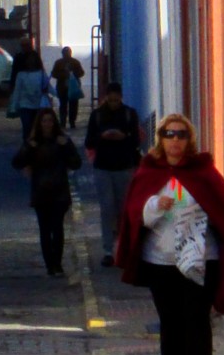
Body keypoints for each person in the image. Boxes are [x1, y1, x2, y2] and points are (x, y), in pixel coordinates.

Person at [116, 113, 224, 355]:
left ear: (189, 140)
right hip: (161, 261)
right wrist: (155, 205)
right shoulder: (148, 173)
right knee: (170, 319)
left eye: (181, 134)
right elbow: (134, 217)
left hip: (202, 259)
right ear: (161, 139)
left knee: (197, 315)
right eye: (170, 134)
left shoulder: (203, 172)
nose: (175, 140)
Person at [12, 107, 82, 276]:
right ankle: (50, 265)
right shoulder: (33, 143)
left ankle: (57, 264)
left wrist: (65, 148)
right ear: (39, 123)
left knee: (57, 228)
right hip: (41, 191)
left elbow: (76, 163)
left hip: (59, 190)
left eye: (50, 120)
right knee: (45, 229)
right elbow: (17, 163)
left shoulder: (62, 141)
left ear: (54, 122)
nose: (47, 124)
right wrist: (29, 148)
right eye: (44, 121)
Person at [84, 82, 141, 266]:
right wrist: (103, 136)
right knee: (107, 209)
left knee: (123, 209)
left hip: (124, 166)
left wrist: (123, 137)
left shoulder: (129, 114)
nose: (114, 102)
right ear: (106, 97)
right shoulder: (97, 116)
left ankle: (123, 248)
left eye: (117, 100)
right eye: (111, 99)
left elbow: (137, 141)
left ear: (121, 98)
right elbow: (89, 141)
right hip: (104, 167)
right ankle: (108, 250)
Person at [8, 50, 55, 140]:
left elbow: (48, 87)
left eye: (32, 60)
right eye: (29, 60)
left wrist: (57, 94)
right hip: (25, 105)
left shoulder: (41, 73)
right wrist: (14, 105)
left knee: (37, 128)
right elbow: (17, 90)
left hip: (38, 106)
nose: (31, 62)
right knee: (27, 128)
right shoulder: (21, 75)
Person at [50, 46, 85, 129]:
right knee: (63, 105)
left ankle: (71, 121)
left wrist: (72, 74)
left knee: (73, 105)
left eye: (68, 53)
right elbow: (54, 73)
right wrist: (63, 75)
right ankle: (63, 122)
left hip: (72, 88)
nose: (66, 54)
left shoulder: (75, 62)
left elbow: (81, 73)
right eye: (65, 53)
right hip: (62, 87)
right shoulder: (58, 63)